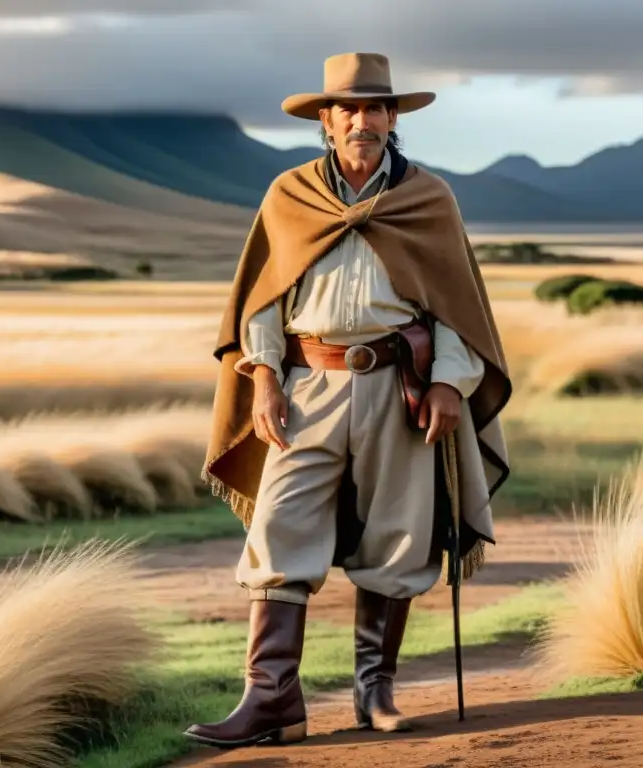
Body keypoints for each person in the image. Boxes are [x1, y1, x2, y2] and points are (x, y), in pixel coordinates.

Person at [186, 51, 512, 750]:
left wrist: (451, 384)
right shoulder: (289, 196)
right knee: (279, 527)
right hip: (308, 386)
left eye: (374, 109)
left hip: (401, 385)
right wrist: (264, 379)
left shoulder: (427, 199)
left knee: (398, 533)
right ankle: (273, 700)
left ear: (393, 119)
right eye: (347, 110)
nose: (361, 120)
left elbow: (458, 306)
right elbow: (262, 301)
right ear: (326, 122)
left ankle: (375, 692)